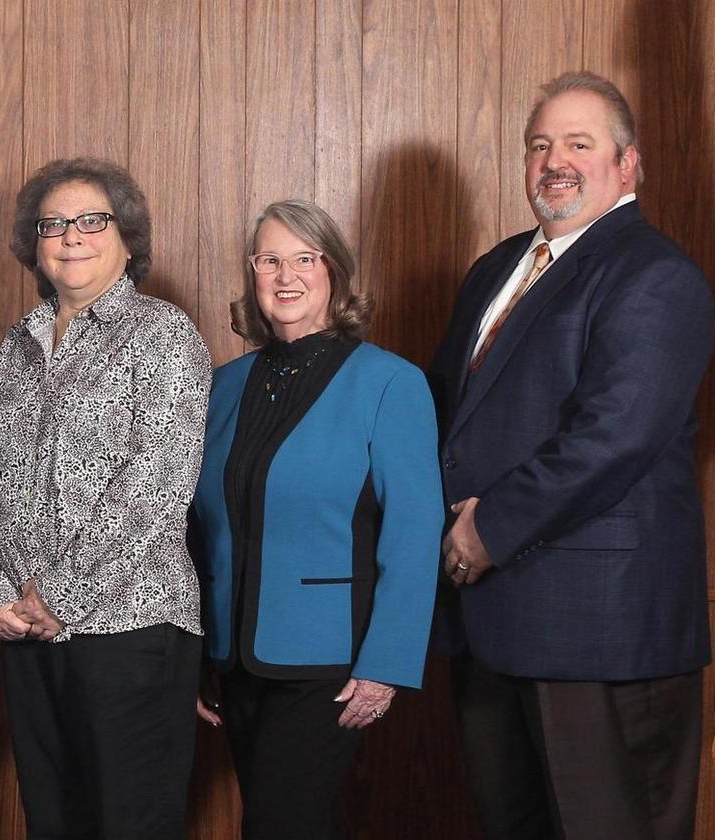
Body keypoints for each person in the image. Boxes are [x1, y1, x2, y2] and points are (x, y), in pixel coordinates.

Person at [427, 72, 714, 840]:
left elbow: (611, 439)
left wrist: (485, 533)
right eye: (540, 144)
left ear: (628, 165)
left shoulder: (655, 276)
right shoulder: (496, 270)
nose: (556, 160)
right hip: (492, 624)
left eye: (579, 144)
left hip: (601, 629)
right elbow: (448, 418)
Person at [0, 157, 210, 839]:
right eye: (53, 224)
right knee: (53, 822)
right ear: (33, 245)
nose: (71, 237)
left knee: (127, 824)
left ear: (127, 238)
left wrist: (56, 597)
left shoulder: (162, 334)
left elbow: (155, 484)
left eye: (92, 221)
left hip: (129, 629)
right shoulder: (17, 345)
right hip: (28, 638)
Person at [186, 199, 442, 839]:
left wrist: (386, 664)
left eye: (305, 258)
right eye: (269, 260)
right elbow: (192, 529)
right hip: (233, 659)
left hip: (331, 663)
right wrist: (191, 659)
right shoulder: (223, 385)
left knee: (281, 827)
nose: (285, 275)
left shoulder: (389, 383)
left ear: (335, 272)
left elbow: (415, 533)